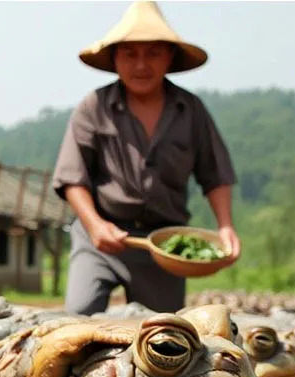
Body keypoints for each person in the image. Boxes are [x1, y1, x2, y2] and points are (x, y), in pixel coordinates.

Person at [53, 0, 240, 315]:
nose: (142, 64)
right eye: (130, 54)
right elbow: (73, 177)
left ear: (169, 56)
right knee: (79, 317)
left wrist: (225, 227)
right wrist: (95, 224)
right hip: (101, 237)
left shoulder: (190, 111)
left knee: (163, 336)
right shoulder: (94, 107)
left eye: (153, 52)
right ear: (115, 59)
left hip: (163, 244)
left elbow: (215, 174)